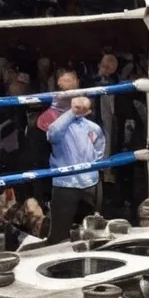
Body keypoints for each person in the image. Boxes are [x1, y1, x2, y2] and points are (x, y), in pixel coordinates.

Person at [45, 94, 106, 244]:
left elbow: (99, 152)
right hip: (65, 185)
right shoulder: (58, 128)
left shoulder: (93, 128)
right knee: (60, 234)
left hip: (90, 183)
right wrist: (72, 112)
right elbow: (53, 134)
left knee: (93, 230)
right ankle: (59, 264)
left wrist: (91, 172)